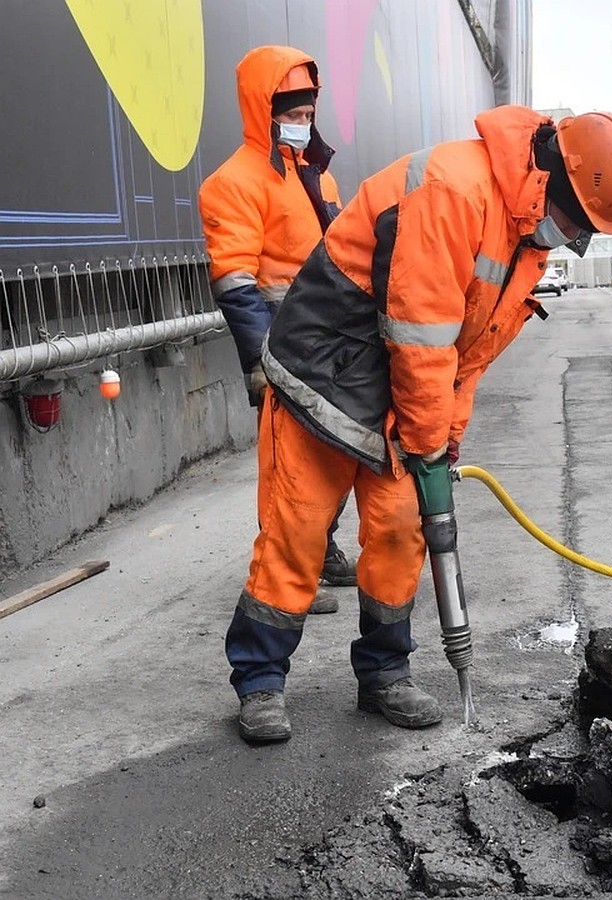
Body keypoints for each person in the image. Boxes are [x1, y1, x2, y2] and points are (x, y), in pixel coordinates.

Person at [226, 104, 612, 743]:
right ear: (551, 177)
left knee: (402, 532)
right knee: (298, 532)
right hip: (325, 368)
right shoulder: (454, 190)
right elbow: (420, 335)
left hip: (399, 383)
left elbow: (468, 351)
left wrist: (447, 431)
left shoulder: (524, 235)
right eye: (576, 221)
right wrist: (428, 440)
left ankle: (384, 673)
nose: (575, 237)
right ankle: (260, 682)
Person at [198, 45, 357, 609]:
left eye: (309, 113)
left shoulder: (315, 176)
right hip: (282, 348)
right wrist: (260, 364)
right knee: (286, 469)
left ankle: (320, 549)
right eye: (292, 114)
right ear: (262, 111)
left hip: (334, 343)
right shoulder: (233, 183)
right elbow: (236, 284)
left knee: (336, 455)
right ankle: (290, 575)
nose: (302, 124)